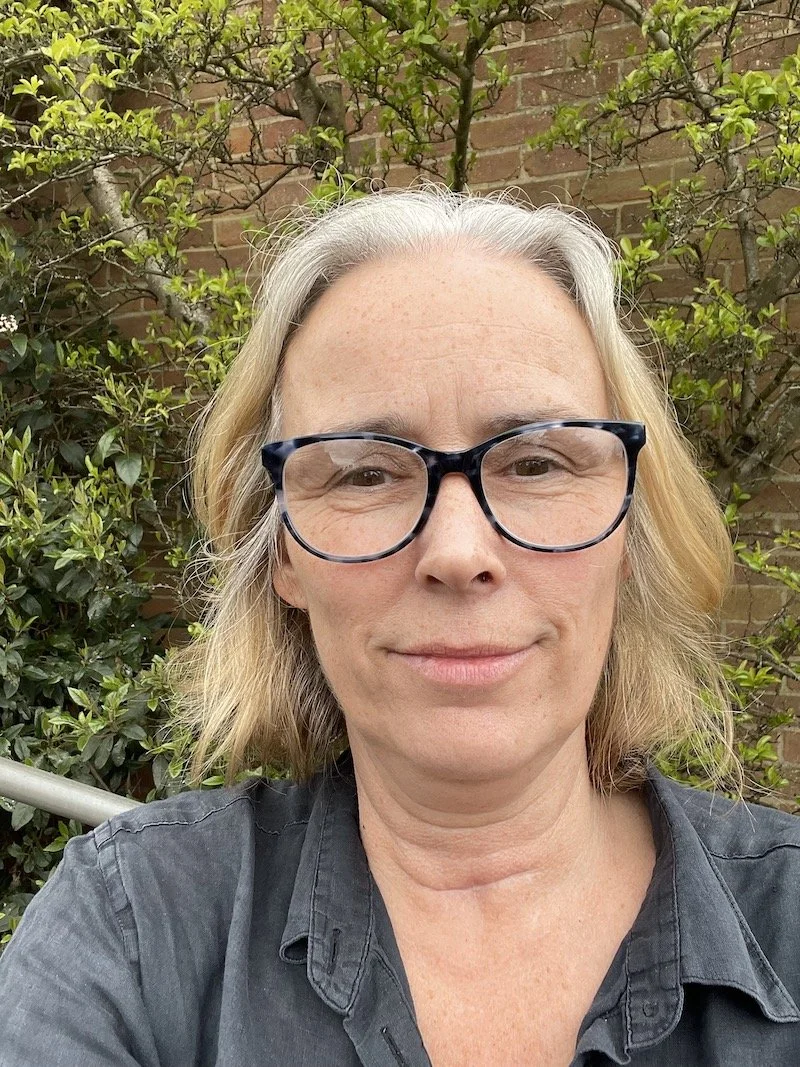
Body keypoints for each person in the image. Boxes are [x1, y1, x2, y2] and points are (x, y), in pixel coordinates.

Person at [1, 186, 799, 1067]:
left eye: (538, 462)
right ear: (284, 553)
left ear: (627, 531)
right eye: (364, 474)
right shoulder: (131, 936)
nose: (458, 552)